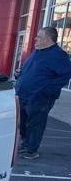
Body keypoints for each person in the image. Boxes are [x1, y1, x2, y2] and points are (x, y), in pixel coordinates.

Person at [14, 27, 71, 159]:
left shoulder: (58, 55)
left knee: (35, 124)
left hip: (40, 98)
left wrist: (47, 90)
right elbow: (32, 70)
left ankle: (31, 150)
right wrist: (20, 73)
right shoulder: (37, 52)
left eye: (39, 36)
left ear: (47, 38)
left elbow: (66, 74)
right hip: (23, 94)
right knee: (22, 122)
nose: (35, 38)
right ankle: (26, 144)